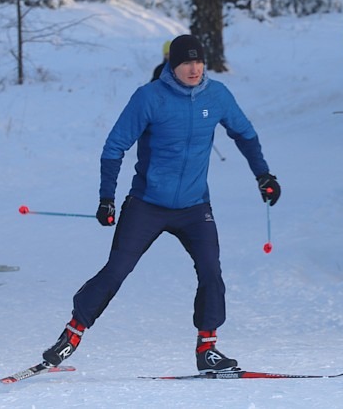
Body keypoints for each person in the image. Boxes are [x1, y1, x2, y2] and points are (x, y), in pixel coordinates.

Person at [40, 34, 281, 373]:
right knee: (116, 271)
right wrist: (107, 198)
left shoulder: (218, 95)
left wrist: (263, 176)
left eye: (199, 62)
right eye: (186, 62)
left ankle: (208, 348)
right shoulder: (149, 98)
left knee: (211, 270)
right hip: (147, 204)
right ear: (173, 64)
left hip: (195, 207)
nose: (194, 68)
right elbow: (114, 147)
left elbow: (245, 134)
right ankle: (71, 335)